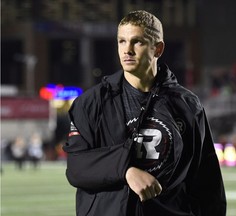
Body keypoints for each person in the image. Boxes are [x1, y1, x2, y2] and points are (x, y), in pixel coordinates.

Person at [63, 10, 226, 216]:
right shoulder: (91, 103)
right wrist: (126, 170)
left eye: (137, 42)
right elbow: (77, 167)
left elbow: (207, 180)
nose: (127, 50)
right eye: (122, 41)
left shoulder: (187, 105)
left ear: (157, 49)